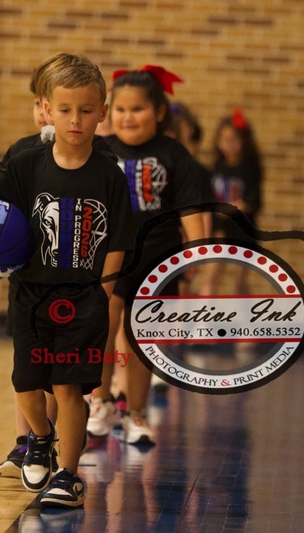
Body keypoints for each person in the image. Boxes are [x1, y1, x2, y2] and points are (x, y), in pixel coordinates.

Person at [0, 53, 133, 508]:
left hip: (84, 296)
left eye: (87, 110)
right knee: (26, 383)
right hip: (29, 293)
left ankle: (69, 475)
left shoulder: (110, 175)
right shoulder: (28, 162)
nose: (75, 120)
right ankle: (38, 440)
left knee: (67, 387)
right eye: (64, 110)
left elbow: (119, 242)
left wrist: (104, 297)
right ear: (46, 109)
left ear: (102, 112)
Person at [87, 65, 209, 444]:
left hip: (159, 258)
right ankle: (101, 400)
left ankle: (136, 413)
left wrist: (195, 254)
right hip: (111, 254)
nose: (128, 117)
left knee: (142, 336)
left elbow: (189, 207)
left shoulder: (174, 155)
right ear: (109, 113)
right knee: (104, 320)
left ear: (158, 112)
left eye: (137, 109)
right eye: (120, 110)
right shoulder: (101, 152)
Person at [200, 108, 263, 296]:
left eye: (234, 140)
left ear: (244, 141)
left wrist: (232, 208)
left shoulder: (251, 168)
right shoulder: (216, 167)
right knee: (211, 276)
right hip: (220, 227)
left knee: (240, 282)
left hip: (243, 228)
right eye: (224, 140)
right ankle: (202, 321)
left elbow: (253, 201)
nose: (229, 145)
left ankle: (246, 321)